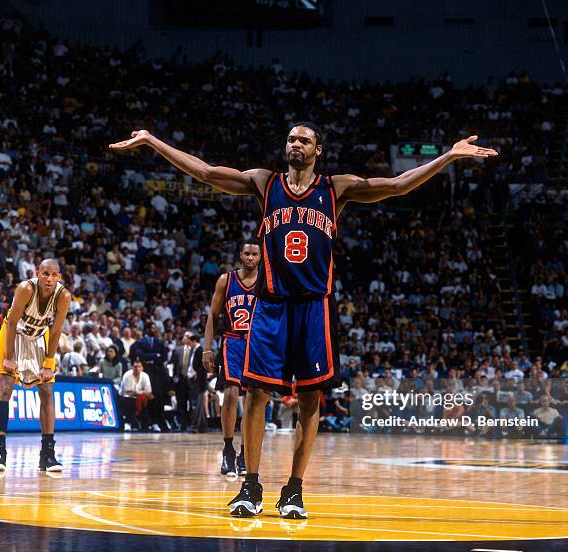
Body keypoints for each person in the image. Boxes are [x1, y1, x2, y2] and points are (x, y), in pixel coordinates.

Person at [110, 123, 497, 519]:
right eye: (291, 139)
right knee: (256, 395)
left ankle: (294, 489)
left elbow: (398, 185)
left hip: (315, 307)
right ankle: (251, 485)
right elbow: (207, 173)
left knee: (311, 399)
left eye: (304, 140)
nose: (296, 145)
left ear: (319, 150)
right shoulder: (266, 183)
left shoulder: (336, 188)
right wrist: (152, 141)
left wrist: (448, 156)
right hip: (271, 304)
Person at [0, 259, 71, 472]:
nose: (49, 278)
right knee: (6, 387)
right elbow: (10, 322)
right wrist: (9, 357)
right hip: (13, 334)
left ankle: (48, 454)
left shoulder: (63, 296)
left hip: (39, 338)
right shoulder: (26, 288)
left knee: (46, 390)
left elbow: (55, 331)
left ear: (59, 277)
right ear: (38, 273)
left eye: (54, 275)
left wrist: (48, 363)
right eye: (45, 273)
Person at [203, 240, 261, 476]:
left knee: (252, 401)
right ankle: (228, 448)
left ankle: (246, 453)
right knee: (230, 393)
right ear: (240, 255)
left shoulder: (267, 282)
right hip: (232, 341)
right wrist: (207, 348)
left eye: (254, 254)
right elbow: (213, 316)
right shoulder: (226, 280)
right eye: (246, 253)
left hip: (257, 344)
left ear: (260, 257)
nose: (249, 258)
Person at [169, 331, 195, 432]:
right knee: (181, 404)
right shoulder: (177, 350)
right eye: (185, 336)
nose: (187, 338)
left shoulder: (195, 350)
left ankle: (192, 425)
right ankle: (182, 425)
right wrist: (174, 379)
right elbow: (172, 365)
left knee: (192, 404)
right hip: (180, 380)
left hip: (191, 380)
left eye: (189, 337)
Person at [119, 360, 153, 431]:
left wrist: (138, 393)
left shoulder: (145, 376)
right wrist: (141, 392)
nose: (137, 368)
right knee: (129, 402)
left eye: (139, 367)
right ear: (132, 368)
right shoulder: (127, 375)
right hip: (125, 397)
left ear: (142, 368)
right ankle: (128, 423)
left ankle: (148, 425)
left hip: (139, 397)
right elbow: (127, 392)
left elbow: (148, 391)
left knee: (150, 400)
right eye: (135, 367)